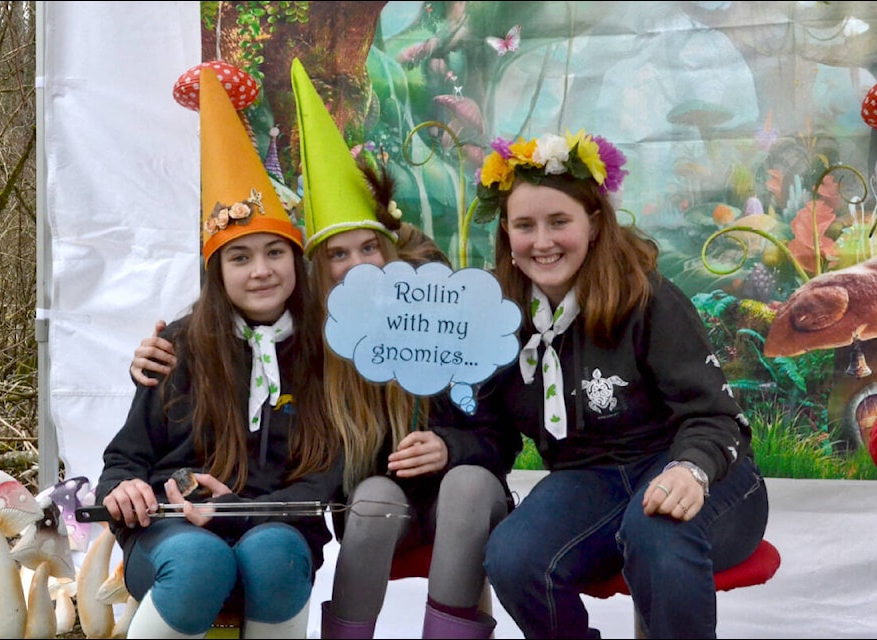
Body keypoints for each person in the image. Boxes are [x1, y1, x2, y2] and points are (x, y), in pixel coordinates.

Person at [128, 58, 521, 640]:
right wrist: (157, 355)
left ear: (391, 248)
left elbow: (499, 433)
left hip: (461, 491)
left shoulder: (442, 316)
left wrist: (449, 444)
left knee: (462, 487)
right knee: (374, 497)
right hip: (371, 503)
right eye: (338, 254)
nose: (357, 265)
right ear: (316, 268)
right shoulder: (312, 342)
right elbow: (239, 357)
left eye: (369, 248)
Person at [468, 130, 770, 639]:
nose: (542, 241)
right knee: (513, 557)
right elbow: (489, 431)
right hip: (590, 479)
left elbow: (716, 418)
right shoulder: (501, 315)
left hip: (697, 470)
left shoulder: (648, 297)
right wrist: (446, 443)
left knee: (656, 529)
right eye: (525, 225)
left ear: (593, 223)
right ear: (506, 233)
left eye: (559, 221)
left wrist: (690, 469)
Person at [94, 67, 342, 640]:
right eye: (240, 257)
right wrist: (126, 491)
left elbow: (327, 475)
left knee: (275, 552)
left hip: (276, 531)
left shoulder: (326, 353)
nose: (261, 271)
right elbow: (126, 460)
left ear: (295, 260)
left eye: (275, 252)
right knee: (201, 560)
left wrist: (242, 511)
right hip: (174, 533)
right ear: (217, 272)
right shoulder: (176, 347)